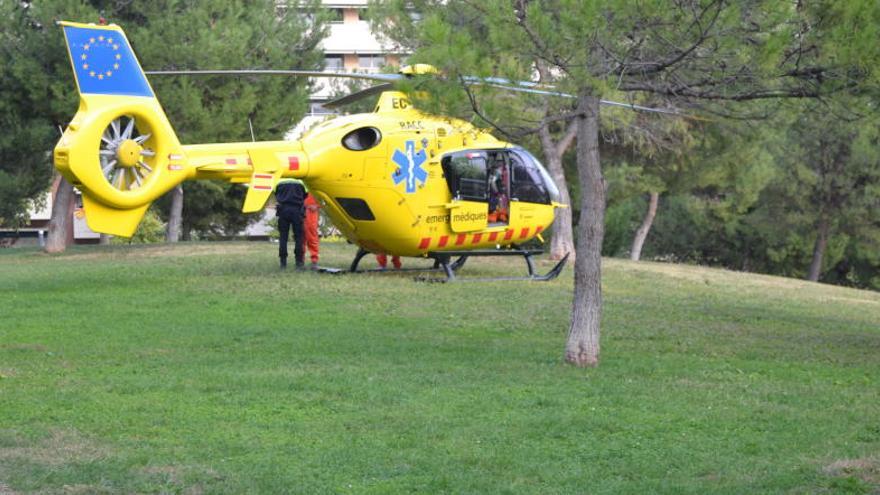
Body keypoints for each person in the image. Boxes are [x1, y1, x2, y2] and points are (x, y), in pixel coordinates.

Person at [274, 178, 307, 269]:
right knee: (298, 237)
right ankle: (299, 263)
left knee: (283, 237)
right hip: (297, 211)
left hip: (283, 210)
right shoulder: (301, 182)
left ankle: (283, 263)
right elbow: (305, 195)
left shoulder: (278, 182)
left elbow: (275, 194)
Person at [303, 193, 321, 269]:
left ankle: (314, 261)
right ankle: (300, 261)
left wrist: (317, 205)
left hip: (311, 212)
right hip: (301, 210)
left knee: (312, 237)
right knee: (301, 238)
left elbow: (324, 199)